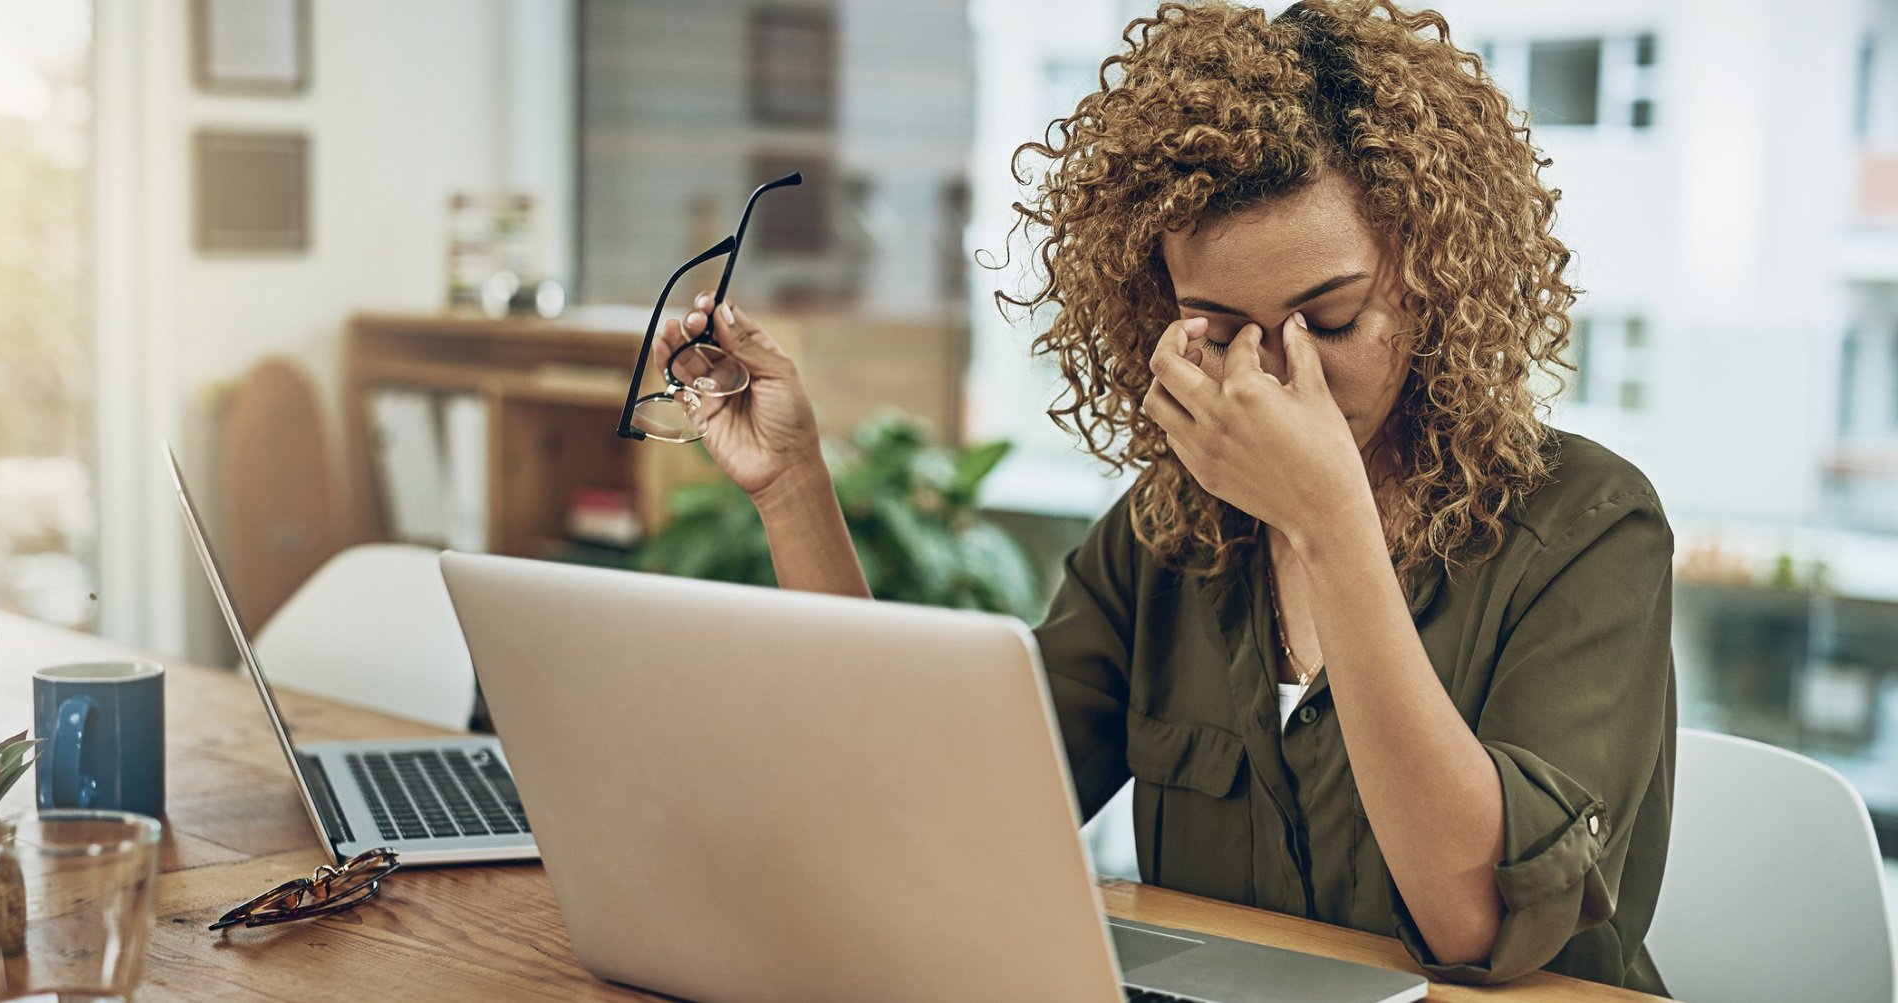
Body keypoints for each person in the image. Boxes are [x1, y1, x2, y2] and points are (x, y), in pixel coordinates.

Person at [651, 0, 1673, 992]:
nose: (1274, 377)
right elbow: (923, 817)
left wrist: (1328, 525)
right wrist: (793, 486)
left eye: (1331, 318)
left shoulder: (1588, 526)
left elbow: (1473, 924)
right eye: (1220, 330)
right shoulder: (1170, 533)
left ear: (1431, 276)